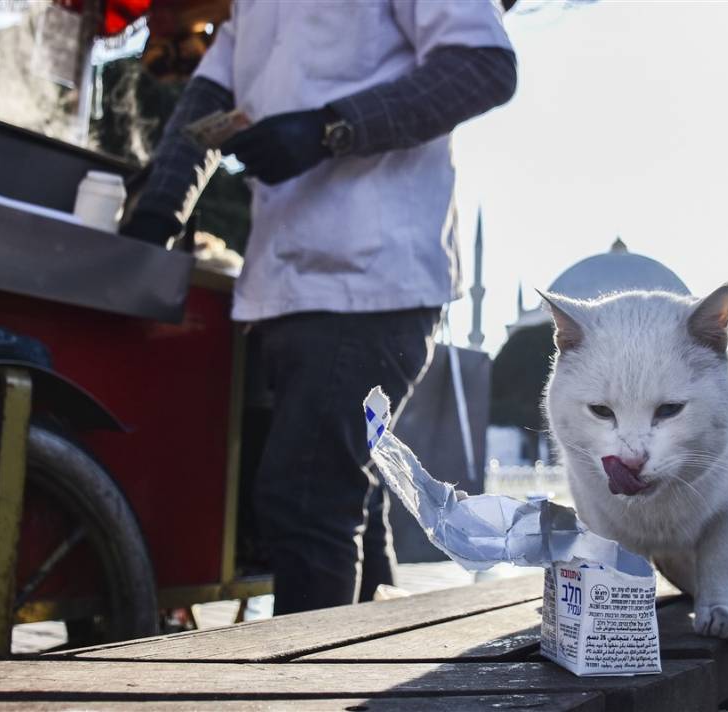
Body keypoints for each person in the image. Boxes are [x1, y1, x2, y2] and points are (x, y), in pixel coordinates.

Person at [120, 2, 517, 615]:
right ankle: (368, 665)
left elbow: (483, 65)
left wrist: (331, 128)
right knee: (337, 494)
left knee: (303, 500)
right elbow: (201, 113)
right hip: (281, 286)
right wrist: (154, 216)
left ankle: (303, 693)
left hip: (374, 276)